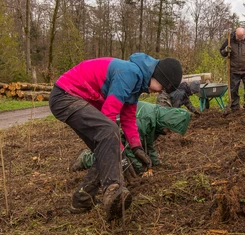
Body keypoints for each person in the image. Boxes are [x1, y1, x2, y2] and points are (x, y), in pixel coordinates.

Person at [49, 53, 183, 221]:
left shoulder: (137, 83)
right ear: (157, 76)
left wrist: (137, 148)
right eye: (162, 87)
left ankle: (82, 200)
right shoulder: (130, 73)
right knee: (110, 133)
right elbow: (109, 116)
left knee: (107, 150)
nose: (160, 91)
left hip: (75, 99)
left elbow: (128, 118)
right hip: (65, 95)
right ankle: (113, 190)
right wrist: (122, 157)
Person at [71, 101, 191, 176]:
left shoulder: (157, 119)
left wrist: (155, 163)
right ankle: (86, 159)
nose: (169, 133)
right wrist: (139, 169)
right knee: (116, 154)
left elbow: (148, 144)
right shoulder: (146, 120)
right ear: (167, 122)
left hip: (125, 128)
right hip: (113, 125)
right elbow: (129, 148)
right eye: (169, 130)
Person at [220, 27, 245, 111]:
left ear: (244, 34)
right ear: (235, 34)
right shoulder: (230, 40)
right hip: (234, 69)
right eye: (238, 37)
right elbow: (222, 52)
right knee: (233, 89)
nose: (240, 39)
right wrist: (226, 50)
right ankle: (235, 106)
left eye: (242, 37)